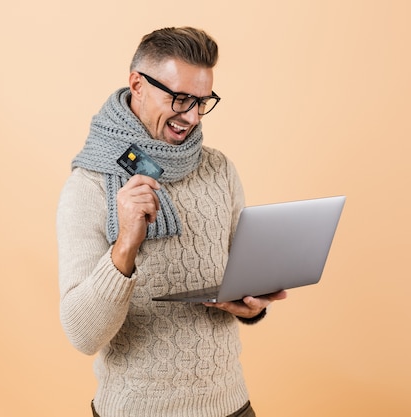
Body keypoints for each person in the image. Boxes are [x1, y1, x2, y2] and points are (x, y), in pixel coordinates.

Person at [57, 26, 287, 417]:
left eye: (202, 101)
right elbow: (82, 334)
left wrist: (253, 304)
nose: (192, 116)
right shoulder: (89, 186)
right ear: (137, 84)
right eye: (180, 99)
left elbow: (239, 277)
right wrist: (126, 242)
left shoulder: (219, 169)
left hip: (231, 405)